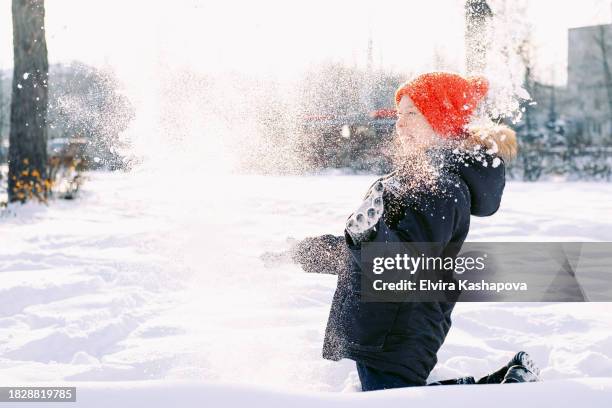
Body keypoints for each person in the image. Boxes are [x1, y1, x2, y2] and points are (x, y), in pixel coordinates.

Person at [288, 72, 539, 391]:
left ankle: (506, 390)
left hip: (398, 328)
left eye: (412, 113)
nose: (400, 123)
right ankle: (504, 385)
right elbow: (369, 255)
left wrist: (365, 236)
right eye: (398, 114)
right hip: (387, 323)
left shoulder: (438, 186)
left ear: (441, 119)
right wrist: (308, 252)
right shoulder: (418, 176)